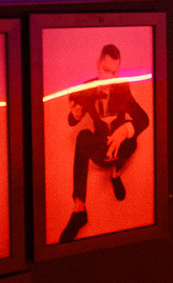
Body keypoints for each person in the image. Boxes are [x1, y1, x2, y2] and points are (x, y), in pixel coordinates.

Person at [59, 43, 151, 243]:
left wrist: (124, 130)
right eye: (105, 70)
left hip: (119, 150)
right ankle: (79, 209)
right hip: (101, 148)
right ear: (97, 64)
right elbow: (72, 120)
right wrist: (75, 115)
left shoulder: (122, 87)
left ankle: (115, 174)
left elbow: (144, 119)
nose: (110, 77)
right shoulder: (87, 88)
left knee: (132, 136)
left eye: (114, 72)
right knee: (82, 136)